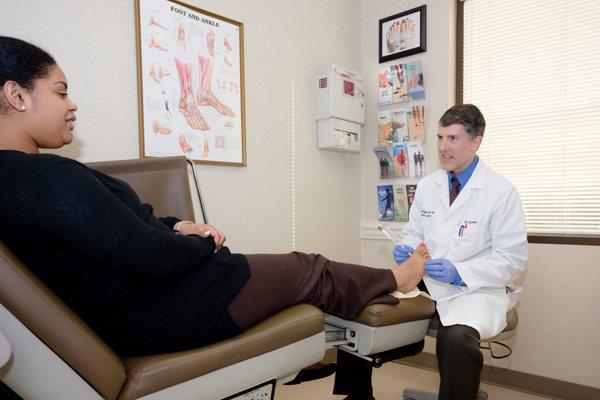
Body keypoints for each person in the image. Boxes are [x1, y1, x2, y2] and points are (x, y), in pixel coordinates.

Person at [0, 36, 429, 358]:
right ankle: (398, 279)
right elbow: (156, 256)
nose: (72, 105)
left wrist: (179, 225)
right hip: (161, 311)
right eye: (60, 92)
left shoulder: (17, 181)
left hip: (133, 310)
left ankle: (358, 360)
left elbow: (115, 232)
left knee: (310, 278)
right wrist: (202, 242)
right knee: (311, 270)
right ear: (17, 95)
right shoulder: (47, 180)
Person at [334, 104, 528, 400]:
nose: (443, 147)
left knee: (456, 339)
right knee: (360, 301)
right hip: (424, 283)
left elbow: (511, 260)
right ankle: (358, 396)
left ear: (476, 142)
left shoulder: (500, 193)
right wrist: (408, 248)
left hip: (473, 291)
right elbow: (415, 232)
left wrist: (460, 272)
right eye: (439, 138)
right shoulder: (428, 186)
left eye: (452, 139)